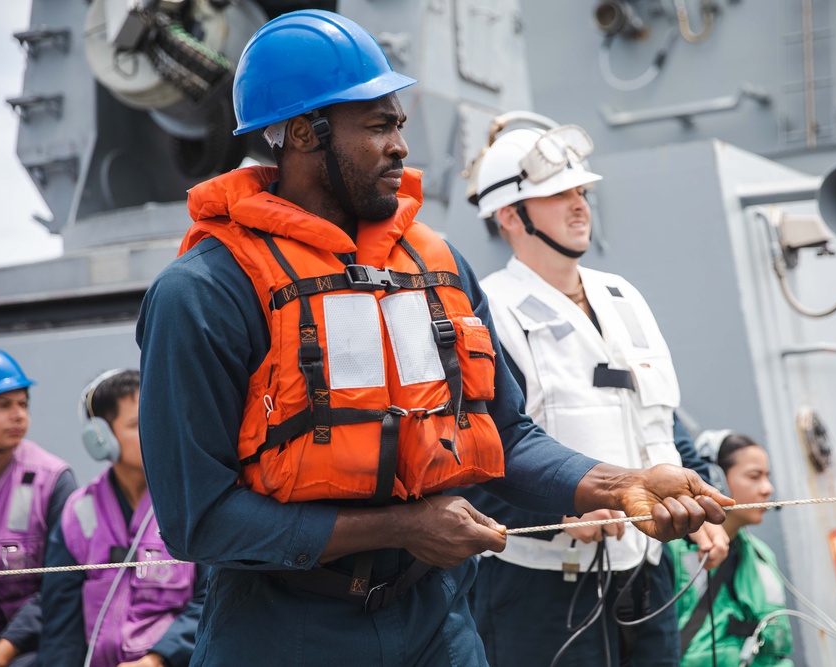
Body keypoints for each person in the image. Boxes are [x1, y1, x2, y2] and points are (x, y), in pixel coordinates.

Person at [134, 10, 731, 666]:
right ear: (305, 134)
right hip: (282, 628)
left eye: (400, 125)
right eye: (379, 126)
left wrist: (620, 484)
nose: (399, 147)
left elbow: (506, 432)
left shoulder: (436, 265)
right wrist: (401, 526)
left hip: (434, 622)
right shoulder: (203, 292)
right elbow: (199, 518)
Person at [459, 122, 730, 667]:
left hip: (650, 574)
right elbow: (473, 457)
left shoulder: (622, 295)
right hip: (540, 589)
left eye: (581, 191)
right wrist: (563, 511)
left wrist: (706, 489)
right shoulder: (489, 312)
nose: (579, 204)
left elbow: (659, 418)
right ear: (511, 215)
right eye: (558, 194)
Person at [39, 370, 206, 667]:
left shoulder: (193, 502)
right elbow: (61, 623)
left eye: (157, 416)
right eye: (135, 423)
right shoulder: (78, 512)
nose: (153, 430)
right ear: (101, 438)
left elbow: (213, 600)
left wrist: (158, 659)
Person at [668, 431, 793, 667]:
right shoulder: (672, 552)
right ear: (716, 481)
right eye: (754, 477)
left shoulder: (762, 557)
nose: (768, 488)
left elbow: (777, 654)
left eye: (767, 477)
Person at [0, 347, 76, 667]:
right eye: (2, 405)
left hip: (28, 648)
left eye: (23, 404)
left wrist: (2, 652)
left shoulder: (52, 480)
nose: (18, 415)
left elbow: (60, 584)